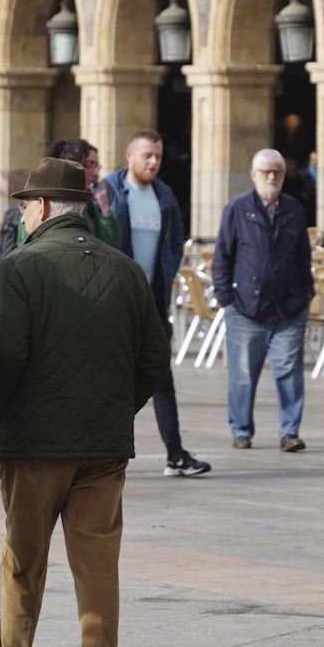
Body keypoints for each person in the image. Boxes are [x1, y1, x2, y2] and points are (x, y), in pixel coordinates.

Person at [0, 157, 170, 647]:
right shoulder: (126, 269)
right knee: (98, 564)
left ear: (40, 208)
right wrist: (115, 407)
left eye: (24, 205)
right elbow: (154, 357)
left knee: (23, 557)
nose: (23, 215)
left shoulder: (22, 266)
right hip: (104, 445)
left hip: (34, 443)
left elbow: (8, 353)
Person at [93, 129, 211, 478]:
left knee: (161, 374)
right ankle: (99, 450)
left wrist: (168, 273)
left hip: (153, 300)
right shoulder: (110, 191)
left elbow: (174, 241)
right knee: (111, 378)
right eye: (147, 155)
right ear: (129, 155)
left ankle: (175, 453)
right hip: (117, 300)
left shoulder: (164, 195)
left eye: (157, 156)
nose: (153, 162)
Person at [212, 148, 313, 452]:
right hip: (245, 309)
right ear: (254, 175)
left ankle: (290, 432)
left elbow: (303, 257)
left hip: (289, 309)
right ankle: (241, 430)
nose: (272, 177)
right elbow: (222, 258)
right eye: (266, 172)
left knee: (289, 371)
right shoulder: (237, 209)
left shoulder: (294, 209)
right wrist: (226, 300)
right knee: (242, 374)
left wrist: (306, 295)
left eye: (278, 172)